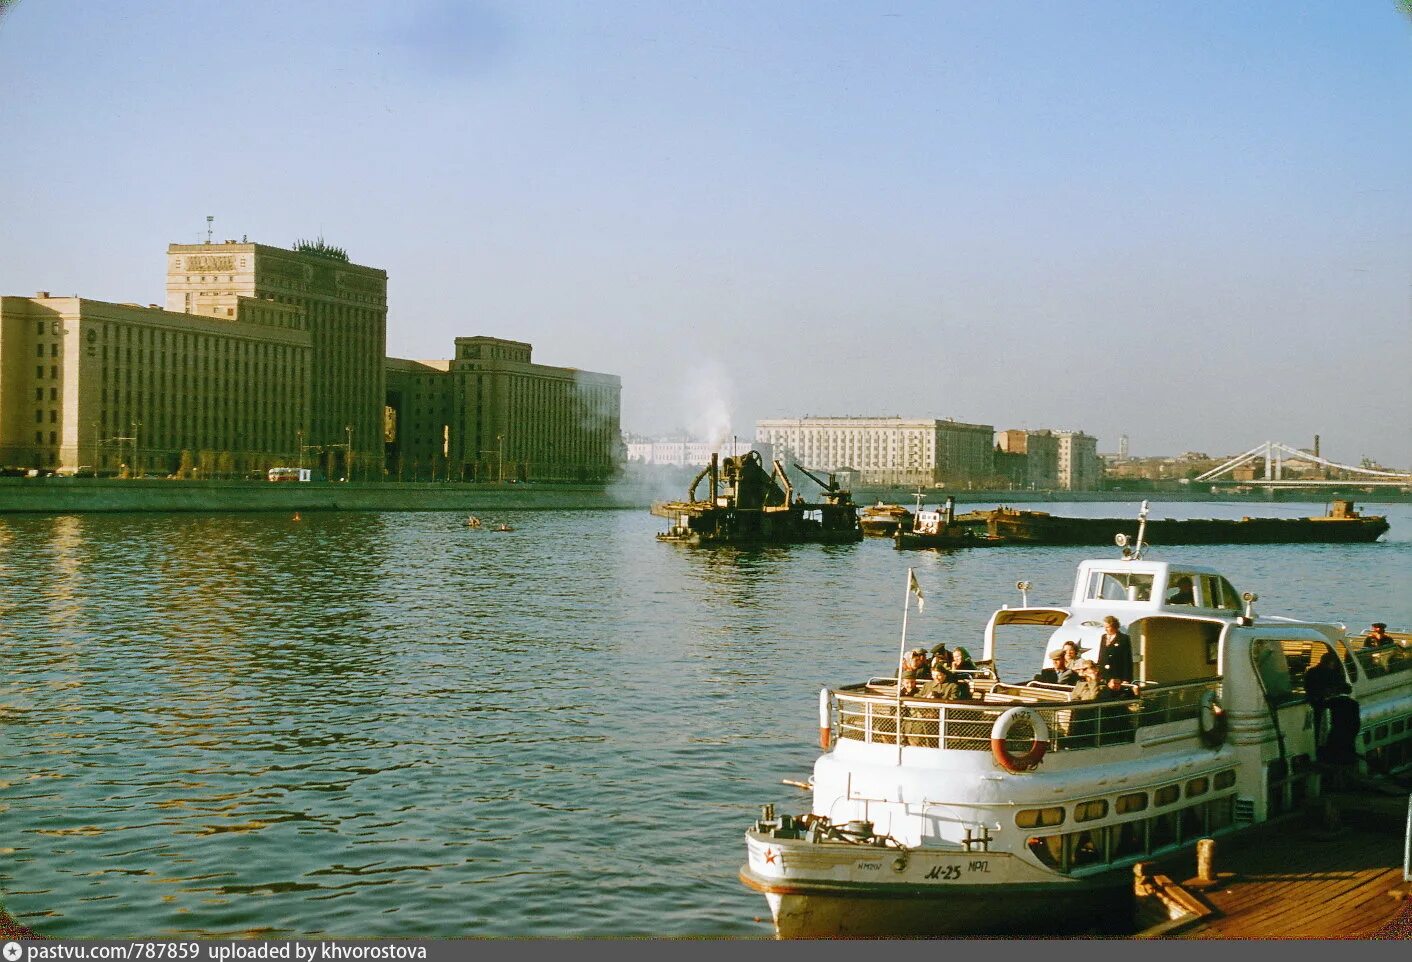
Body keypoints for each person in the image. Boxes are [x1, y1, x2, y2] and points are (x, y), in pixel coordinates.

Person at [1096, 616, 1134, 683]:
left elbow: (1127, 659)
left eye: (1108, 627)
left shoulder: (1124, 638)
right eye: (1105, 627)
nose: (1105, 629)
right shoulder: (1104, 637)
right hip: (1104, 675)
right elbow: (1101, 655)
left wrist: (1126, 678)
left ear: (1114, 626)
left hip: (1117, 674)